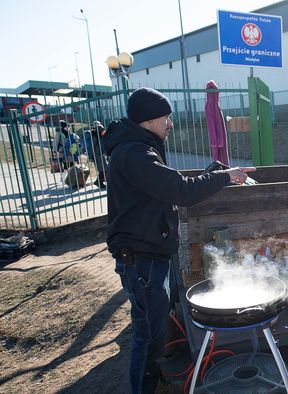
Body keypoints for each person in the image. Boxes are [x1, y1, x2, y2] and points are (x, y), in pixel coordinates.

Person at [103, 87, 254, 394]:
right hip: (142, 261)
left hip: (148, 255)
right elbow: (180, 191)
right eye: (166, 117)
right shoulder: (134, 153)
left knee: (151, 333)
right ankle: (143, 388)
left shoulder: (138, 147)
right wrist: (226, 177)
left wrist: (211, 175)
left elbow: (164, 190)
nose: (170, 123)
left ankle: (150, 380)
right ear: (148, 119)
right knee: (146, 336)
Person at [83, 121, 108, 188]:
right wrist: (90, 156)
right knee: (102, 169)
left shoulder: (99, 134)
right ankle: (99, 182)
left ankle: (99, 181)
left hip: (101, 154)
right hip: (97, 154)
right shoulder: (94, 134)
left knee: (104, 169)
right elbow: (92, 146)